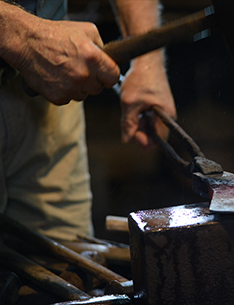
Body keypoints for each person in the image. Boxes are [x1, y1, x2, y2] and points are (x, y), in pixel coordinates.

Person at [0, 0, 176, 241]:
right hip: (39, 50)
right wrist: (22, 35)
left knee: (69, 265)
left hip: (49, 88)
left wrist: (148, 64)